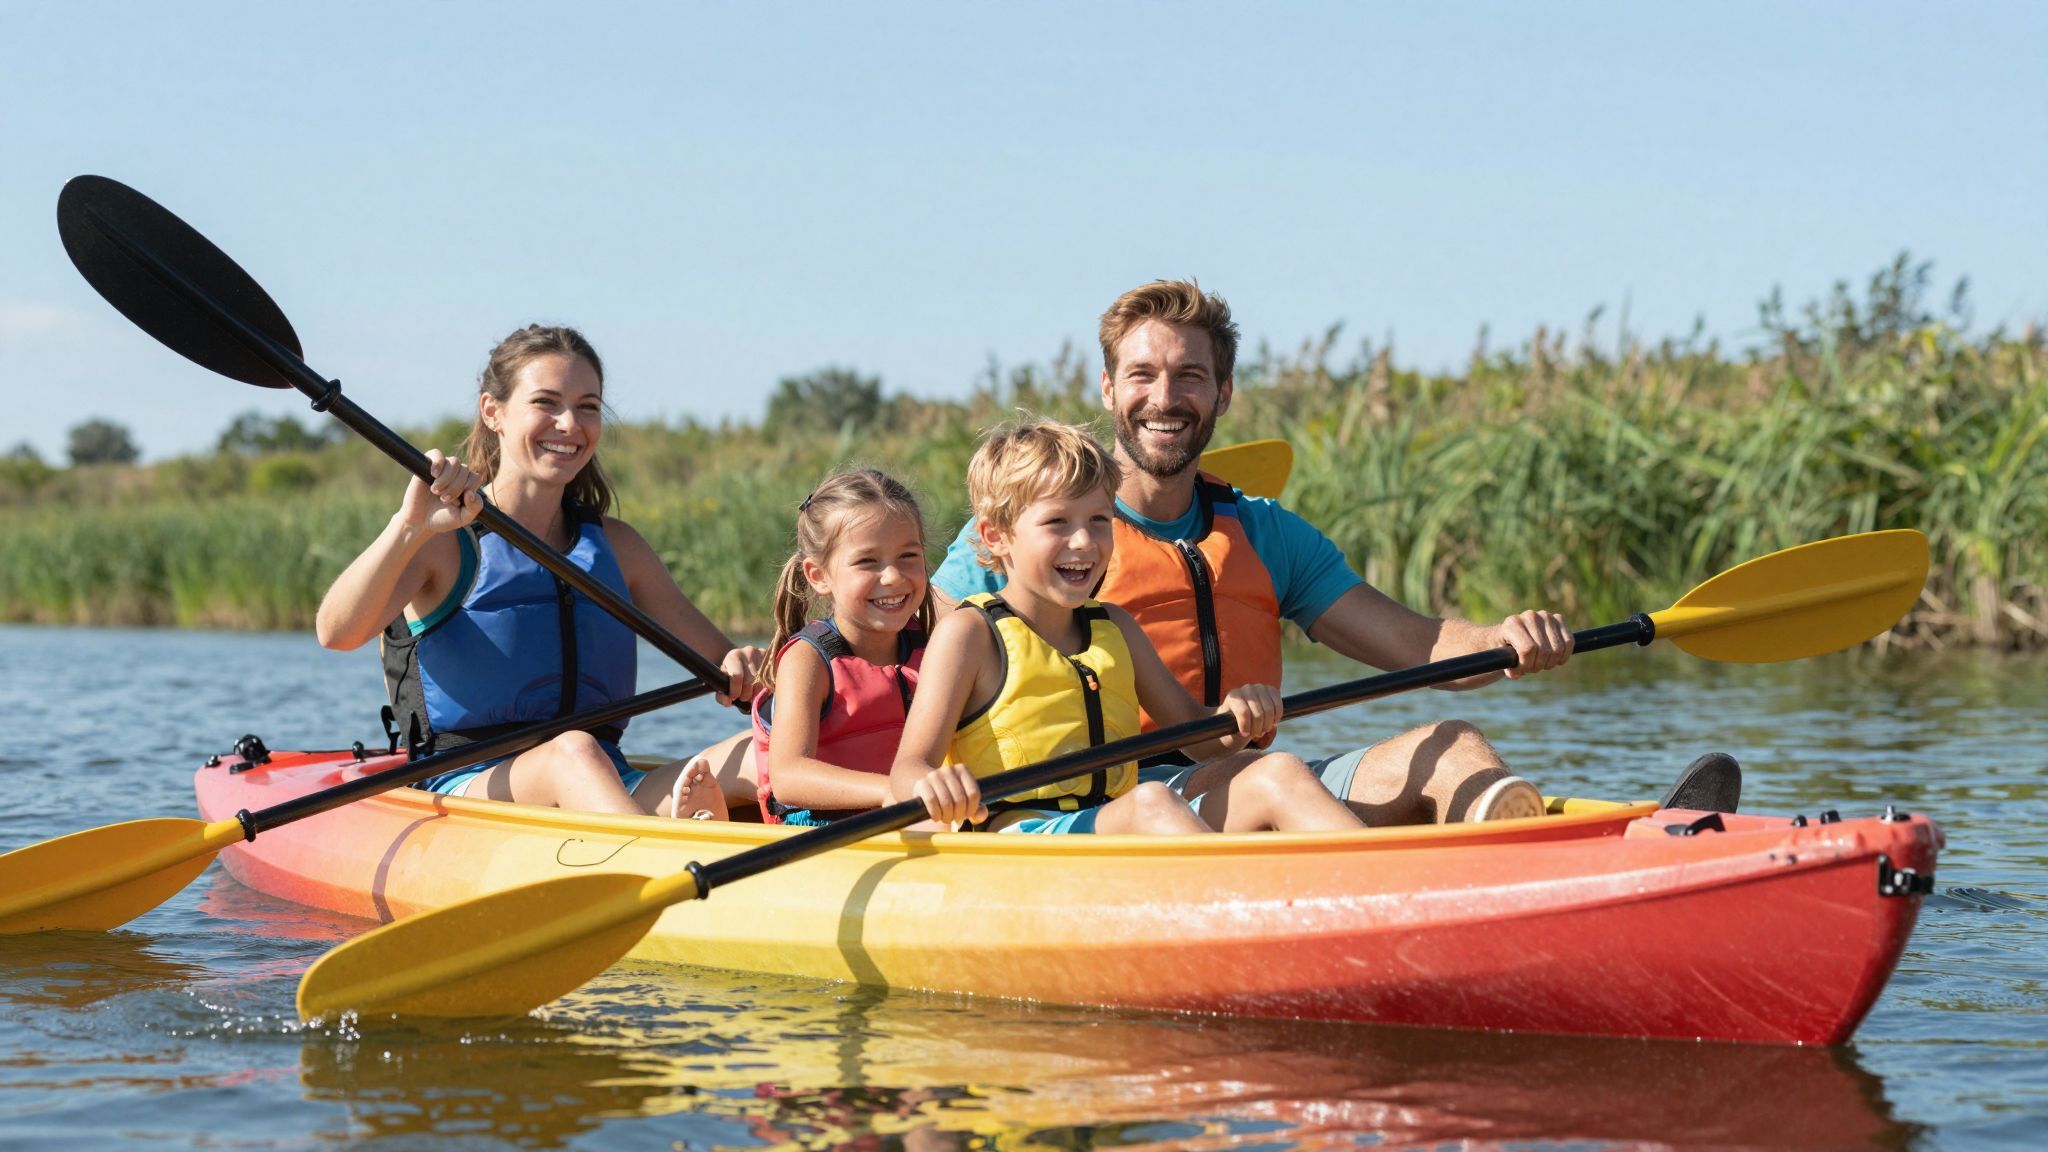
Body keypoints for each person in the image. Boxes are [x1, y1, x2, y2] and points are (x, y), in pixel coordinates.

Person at [932, 281, 1574, 824]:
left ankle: (1526, 886)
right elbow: (906, 655)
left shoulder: (1266, 534)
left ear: (1223, 393)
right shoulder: (1026, 540)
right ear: (1107, 389)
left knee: (1455, 745)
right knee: (1273, 778)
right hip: (1119, 810)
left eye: (1190, 376)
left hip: (1249, 775)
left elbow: (1422, 647)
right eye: (1142, 375)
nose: (1164, 398)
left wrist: (1504, 640)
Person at [314, 324, 762, 818]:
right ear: (494, 412)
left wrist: (745, 667)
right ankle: (672, 860)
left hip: (607, 779)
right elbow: (336, 633)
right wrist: (409, 527)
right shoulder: (444, 541)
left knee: (761, 755)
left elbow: (728, 665)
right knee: (573, 752)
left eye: (587, 406)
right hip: (465, 789)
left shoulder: (619, 547)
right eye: (546, 403)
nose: (570, 423)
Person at [891, 418, 1368, 835]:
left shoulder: (1113, 625)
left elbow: (1199, 738)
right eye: (1057, 522)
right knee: (1152, 802)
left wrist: (1239, 716)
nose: (1084, 541)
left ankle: (1388, 896)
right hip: (1024, 839)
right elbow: (908, 766)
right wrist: (933, 784)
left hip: (1114, 825)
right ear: (996, 535)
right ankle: (1245, 919)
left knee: (1277, 772)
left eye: (1100, 521)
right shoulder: (970, 634)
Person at [684, 469, 934, 825]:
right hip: (823, 828)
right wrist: (891, 791)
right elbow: (788, 777)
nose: (893, 576)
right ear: (819, 576)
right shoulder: (808, 660)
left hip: (909, 815)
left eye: (908, 556)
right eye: (867, 561)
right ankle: (711, 823)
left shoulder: (936, 647)